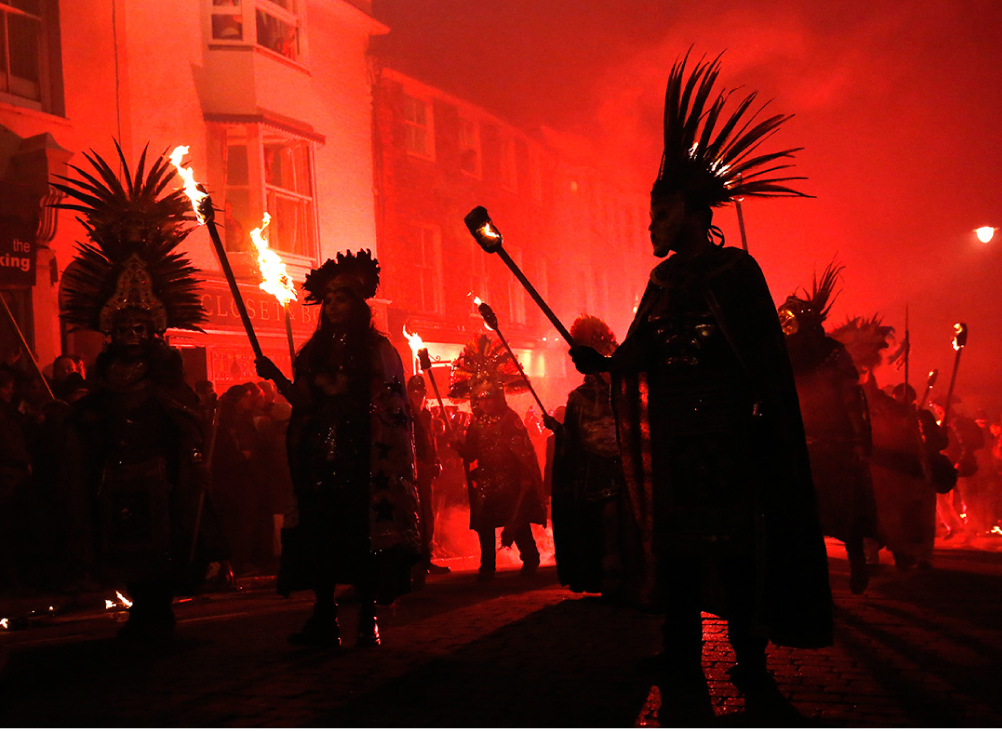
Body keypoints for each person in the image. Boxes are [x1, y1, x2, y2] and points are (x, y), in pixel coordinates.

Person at [569, 55, 833, 705]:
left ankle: (750, 659)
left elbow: (764, 362)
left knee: (737, 551)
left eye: (659, 210)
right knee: (678, 551)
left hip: (729, 443)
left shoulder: (737, 274)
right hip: (676, 446)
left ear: (689, 210)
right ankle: (681, 652)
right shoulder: (661, 283)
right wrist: (602, 363)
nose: (650, 223)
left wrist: (761, 429)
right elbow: (639, 352)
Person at [53, 142, 219, 642]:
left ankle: (157, 610)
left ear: (151, 331)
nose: (128, 334)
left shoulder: (165, 371)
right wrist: (79, 412)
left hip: (157, 474)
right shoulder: (105, 371)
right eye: (120, 327)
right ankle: (135, 609)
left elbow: (180, 412)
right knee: (120, 540)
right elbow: (97, 412)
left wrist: (184, 422)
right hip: (117, 473)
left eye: (137, 327)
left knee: (159, 543)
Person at [256, 250, 421, 648]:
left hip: (363, 458)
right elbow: (305, 402)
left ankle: (368, 618)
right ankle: (324, 617)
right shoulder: (313, 351)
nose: (332, 307)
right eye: (327, 300)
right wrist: (276, 376)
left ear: (358, 304)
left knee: (361, 538)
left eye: (341, 298)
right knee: (321, 539)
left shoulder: (378, 350)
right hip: (319, 460)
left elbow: (393, 406)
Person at [779, 264, 879, 594]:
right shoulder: (783, 356)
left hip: (835, 441)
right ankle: (809, 577)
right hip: (796, 440)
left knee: (844, 510)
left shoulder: (833, 354)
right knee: (800, 513)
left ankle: (856, 562)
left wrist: (859, 440)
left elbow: (852, 399)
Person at [448, 334, 546, 580]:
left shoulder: (510, 419)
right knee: (485, 525)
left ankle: (530, 558)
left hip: (510, 480)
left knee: (517, 523)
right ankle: (487, 565)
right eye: (480, 399)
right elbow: (472, 453)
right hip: (486, 480)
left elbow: (523, 452)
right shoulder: (475, 424)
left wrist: (524, 476)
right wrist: (459, 447)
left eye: (488, 398)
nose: (484, 403)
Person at [548, 315, 623, 597]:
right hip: (594, 472)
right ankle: (604, 578)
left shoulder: (623, 389)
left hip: (623, 468)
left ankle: (624, 577)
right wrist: (560, 430)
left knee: (619, 523)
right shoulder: (577, 398)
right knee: (600, 527)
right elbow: (575, 439)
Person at [407, 374, 450, 577]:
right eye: (414, 392)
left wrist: (437, 462)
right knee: (414, 518)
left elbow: (431, 443)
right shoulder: (404, 416)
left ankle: (426, 558)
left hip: (426, 476)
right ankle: (414, 561)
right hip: (410, 475)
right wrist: (420, 467)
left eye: (421, 392)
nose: (418, 396)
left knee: (428, 517)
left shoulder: (426, 416)